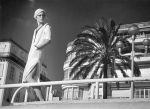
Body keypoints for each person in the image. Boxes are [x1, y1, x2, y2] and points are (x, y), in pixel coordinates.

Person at [22, 8, 51, 101]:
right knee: (29, 77)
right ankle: (39, 98)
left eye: (43, 15)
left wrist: (38, 46)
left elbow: (48, 39)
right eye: (39, 15)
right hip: (31, 55)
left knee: (29, 77)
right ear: (36, 17)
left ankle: (42, 100)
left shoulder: (47, 26)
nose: (41, 17)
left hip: (37, 55)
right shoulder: (35, 30)